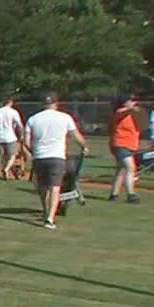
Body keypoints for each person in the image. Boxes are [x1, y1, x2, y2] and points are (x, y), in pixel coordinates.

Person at [23, 93, 90, 229]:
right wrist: (84, 146)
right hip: (57, 156)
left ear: (43, 104)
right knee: (55, 187)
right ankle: (50, 218)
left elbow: (26, 141)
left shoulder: (33, 119)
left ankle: (45, 210)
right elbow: (75, 135)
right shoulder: (65, 118)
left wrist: (34, 151)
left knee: (43, 187)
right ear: (56, 103)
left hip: (40, 157)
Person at [107, 94, 142, 203]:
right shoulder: (120, 112)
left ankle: (114, 194)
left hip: (130, 145)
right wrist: (131, 109)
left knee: (121, 170)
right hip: (120, 144)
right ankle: (131, 195)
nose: (134, 102)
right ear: (125, 102)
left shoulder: (133, 114)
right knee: (130, 167)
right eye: (131, 100)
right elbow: (122, 113)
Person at [0, 95, 23, 179]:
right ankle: (6, 169)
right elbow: (19, 125)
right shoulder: (13, 112)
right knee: (13, 155)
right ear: (10, 102)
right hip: (10, 137)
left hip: (0, 136)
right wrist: (21, 135)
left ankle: (4, 169)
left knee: (3, 156)